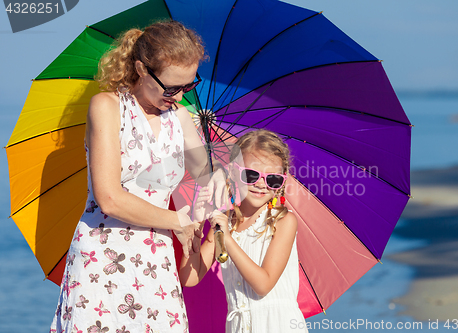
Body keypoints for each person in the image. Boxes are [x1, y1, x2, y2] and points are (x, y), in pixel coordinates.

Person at [49, 21, 226, 333]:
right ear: (142, 69)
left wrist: (219, 181)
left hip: (156, 258)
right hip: (103, 258)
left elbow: (205, 175)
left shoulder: (180, 117)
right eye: (171, 87)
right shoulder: (107, 106)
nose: (179, 96)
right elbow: (109, 198)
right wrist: (179, 223)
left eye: (188, 86)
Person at [180, 129, 308, 333]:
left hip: (277, 326)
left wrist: (228, 239)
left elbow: (263, 284)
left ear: (281, 183)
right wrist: (196, 225)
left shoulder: (283, 221)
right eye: (251, 174)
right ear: (232, 173)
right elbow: (190, 277)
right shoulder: (224, 223)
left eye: (273, 179)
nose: (261, 184)